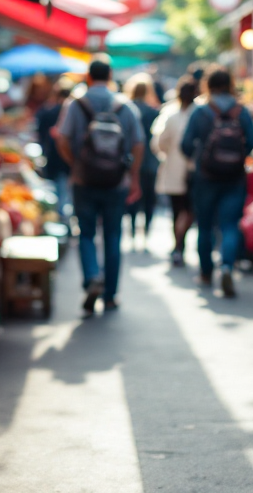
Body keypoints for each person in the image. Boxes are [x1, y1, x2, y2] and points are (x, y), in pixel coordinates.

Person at [56, 60, 143, 313]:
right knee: (113, 236)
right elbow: (138, 144)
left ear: (88, 76)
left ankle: (92, 276)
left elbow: (62, 138)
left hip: (84, 181)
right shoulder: (124, 106)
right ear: (111, 75)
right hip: (117, 182)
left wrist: (76, 165)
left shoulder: (76, 103)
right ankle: (111, 294)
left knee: (85, 234)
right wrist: (133, 176)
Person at [181, 67, 253, 298]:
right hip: (234, 178)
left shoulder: (201, 111)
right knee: (230, 225)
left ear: (207, 85)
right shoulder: (241, 111)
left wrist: (200, 155)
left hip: (205, 178)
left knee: (204, 226)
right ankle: (226, 267)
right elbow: (252, 143)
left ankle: (205, 272)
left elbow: (185, 145)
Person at [153, 76, 199, 266]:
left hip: (174, 168)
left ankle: (177, 245)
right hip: (194, 170)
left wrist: (168, 155)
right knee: (189, 210)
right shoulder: (200, 113)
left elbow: (159, 143)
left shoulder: (170, 114)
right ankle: (180, 243)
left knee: (177, 210)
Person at [123, 74, 160, 243]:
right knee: (148, 199)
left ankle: (131, 230)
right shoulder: (153, 112)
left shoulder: (127, 110)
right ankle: (145, 231)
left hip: (131, 160)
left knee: (132, 196)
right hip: (150, 162)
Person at [35, 81, 73, 223]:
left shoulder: (48, 111)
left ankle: (60, 221)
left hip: (53, 158)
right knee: (66, 194)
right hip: (69, 160)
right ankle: (63, 222)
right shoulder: (73, 113)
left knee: (58, 192)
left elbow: (39, 134)